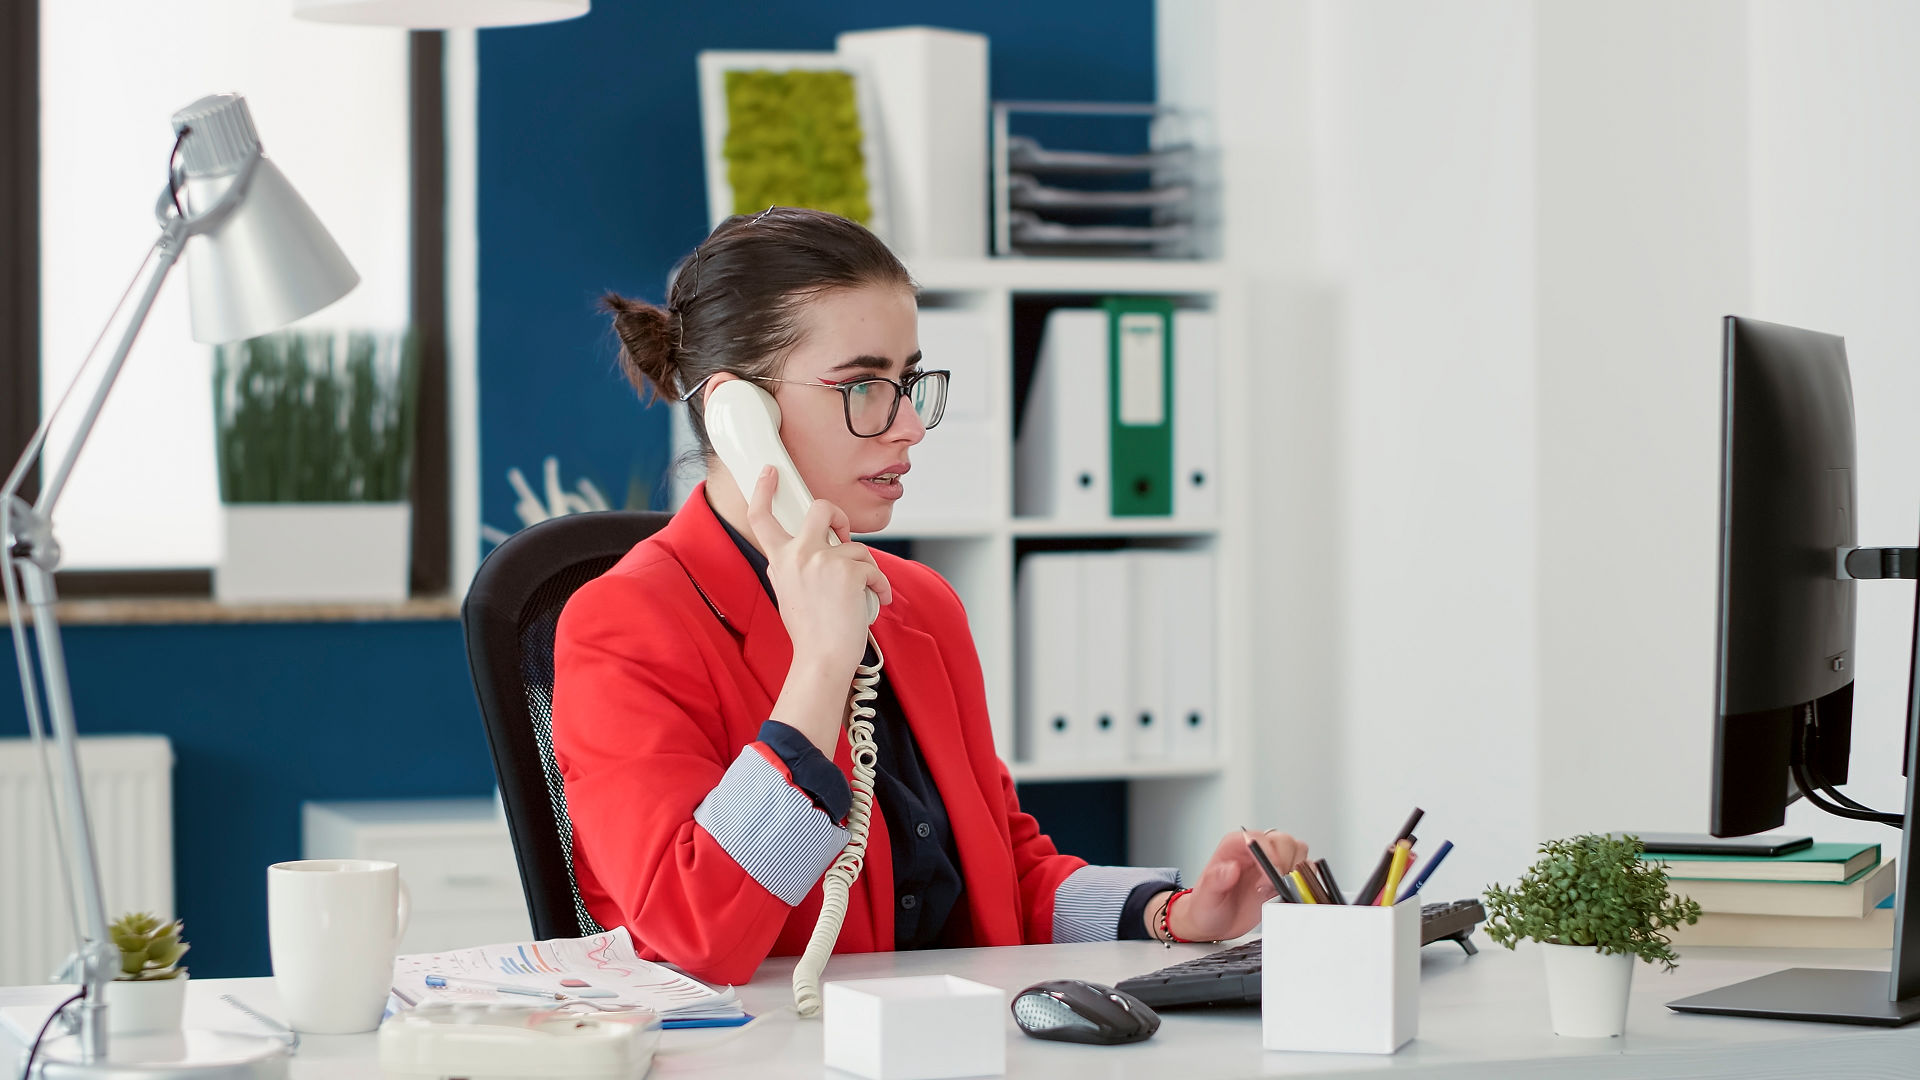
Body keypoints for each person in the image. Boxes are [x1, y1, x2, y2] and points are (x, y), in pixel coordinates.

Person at [551, 207, 1311, 986]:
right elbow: (694, 931)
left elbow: (1003, 877)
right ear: (737, 412)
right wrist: (819, 669)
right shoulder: (622, 625)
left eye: (908, 382)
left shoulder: (918, 604)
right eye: (863, 386)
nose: (909, 425)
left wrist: (1175, 914)